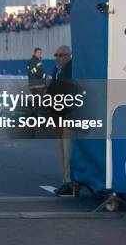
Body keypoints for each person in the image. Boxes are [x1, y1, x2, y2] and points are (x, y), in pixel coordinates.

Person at [46, 45, 76, 196]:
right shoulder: (56, 69)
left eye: (61, 55)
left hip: (68, 114)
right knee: (61, 149)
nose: (58, 58)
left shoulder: (72, 69)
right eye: (56, 55)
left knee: (67, 148)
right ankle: (65, 180)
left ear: (69, 55)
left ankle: (70, 182)